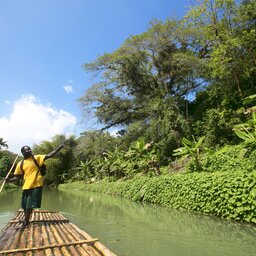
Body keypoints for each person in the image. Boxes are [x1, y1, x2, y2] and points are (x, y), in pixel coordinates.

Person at [5, 144, 64, 227]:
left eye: (29, 149)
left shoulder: (36, 158)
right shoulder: (20, 163)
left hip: (36, 183)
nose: (29, 150)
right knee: (24, 205)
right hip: (26, 185)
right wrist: (9, 181)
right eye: (27, 150)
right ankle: (26, 218)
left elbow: (50, 155)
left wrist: (59, 148)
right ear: (23, 152)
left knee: (29, 204)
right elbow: (18, 176)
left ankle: (26, 221)